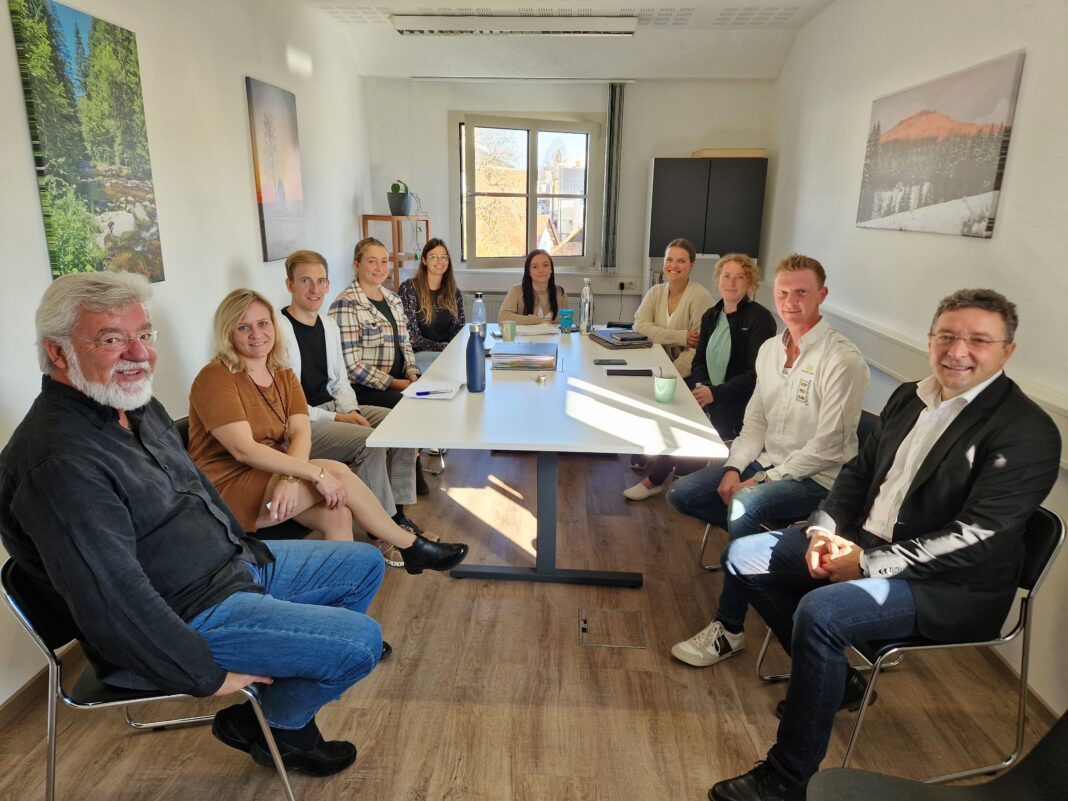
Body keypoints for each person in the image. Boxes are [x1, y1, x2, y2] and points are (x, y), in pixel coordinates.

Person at [0, 272, 389, 776]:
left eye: (144, 334)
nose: (139, 353)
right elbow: (113, 603)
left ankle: (272, 716)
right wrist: (209, 677)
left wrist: (242, 549)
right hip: (187, 614)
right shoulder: (59, 462)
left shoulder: (134, 407)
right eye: (112, 339)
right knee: (360, 644)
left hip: (229, 567)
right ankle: (285, 726)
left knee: (363, 564)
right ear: (58, 353)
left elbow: (199, 489)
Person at [709, 288, 1061, 801]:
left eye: (979, 340)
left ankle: (787, 779)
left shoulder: (1026, 431)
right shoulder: (909, 396)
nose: (958, 350)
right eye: (946, 335)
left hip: (951, 587)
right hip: (865, 542)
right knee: (744, 556)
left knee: (821, 613)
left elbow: (973, 537)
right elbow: (856, 473)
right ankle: (841, 683)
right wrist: (823, 529)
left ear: (1007, 351)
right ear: (930, 339)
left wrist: (866, 564)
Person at [667, 254, 869, 669]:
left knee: (745, 506)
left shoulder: (842, 360)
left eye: (802, 292)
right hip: (767, 463)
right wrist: (733, 468)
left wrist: (759, 482)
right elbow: (755, 422)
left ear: (822, 295)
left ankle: (729, 627)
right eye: (783, 293)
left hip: (820, 479)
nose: (791, 301)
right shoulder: (769, 350)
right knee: (683, 494)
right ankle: (768, 559)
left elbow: (828, 448)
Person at [187, 287, 466, 574]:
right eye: (243, 327)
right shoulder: (216, 377)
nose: (256, 334)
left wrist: (290, 477)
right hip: (225, 490)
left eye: (262, 323)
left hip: (271, 473)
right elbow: (243, 450)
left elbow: (300, 432)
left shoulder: (281, 372)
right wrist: (312, 474)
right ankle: (411, 546)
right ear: (228, 332)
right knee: (336, 473)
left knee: (338, 514)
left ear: (273, 326)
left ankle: (345, 593)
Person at [277, 249, 429, 561]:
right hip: (303, 421)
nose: (314, 289)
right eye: (305, 281)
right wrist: (338, 420)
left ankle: (398, 513)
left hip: (334, 407)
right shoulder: (278, 332)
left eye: (321, 281)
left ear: (328, 284)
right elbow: (288, 405)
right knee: (368, 441)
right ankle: (384, 532)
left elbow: (340, 382)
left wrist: (352, 411)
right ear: (289, 284)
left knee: (403, 423)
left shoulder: (328, 325)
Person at [624, 253, 776, 500]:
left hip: (739, 403)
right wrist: (703, 386)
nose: (731, 283)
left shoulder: (760, 319)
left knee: (687, 426)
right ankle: (665, 476)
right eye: (726, 276)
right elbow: (699, 360)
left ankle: (655, 480)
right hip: (709, 393)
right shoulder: (711, 316)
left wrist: (715, 393)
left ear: (750, 283)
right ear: (717, 281)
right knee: (675, 413)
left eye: (740, 277)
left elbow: (756, 374)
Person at [330, 237, 420, 409]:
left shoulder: (393, 299)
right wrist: (395, 383)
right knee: (414, 406)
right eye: (372, 261)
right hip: (365, 388)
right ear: (356, 265)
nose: (380, 268)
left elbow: (405, 343)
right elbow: (351, 366)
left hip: (400, 381)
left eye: (384, 261)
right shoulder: (346, 304)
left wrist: (412, 374)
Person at [632, 238, 714, 379]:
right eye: (669, 259)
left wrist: (670, 374)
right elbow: (639, 327)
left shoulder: (700, 296)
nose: (674, 265)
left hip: (685, 375)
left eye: (681, 261)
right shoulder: (655, 292)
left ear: (691, 265)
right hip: (654, 368)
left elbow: (698, 349)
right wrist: (682, 337)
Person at [398, 238, 465, 373]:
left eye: (444, 257)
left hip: (447, 353)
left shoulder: (454, 292)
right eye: (433, 257)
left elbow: (459, 330)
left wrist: (454, 349)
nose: (440, 261)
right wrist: (444, 348)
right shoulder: (409, 288)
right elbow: (411, 337)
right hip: (418, 355)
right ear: (424, 260)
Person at [498, 249, 570, 325]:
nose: (541, 270)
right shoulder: (516, 290)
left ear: (551, 269)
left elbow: (566, 324)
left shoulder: (560, 293)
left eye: (545, 265)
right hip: (524, 333)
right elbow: (503, 318)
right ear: (529, 272)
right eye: (535, 267)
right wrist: (536, 320)